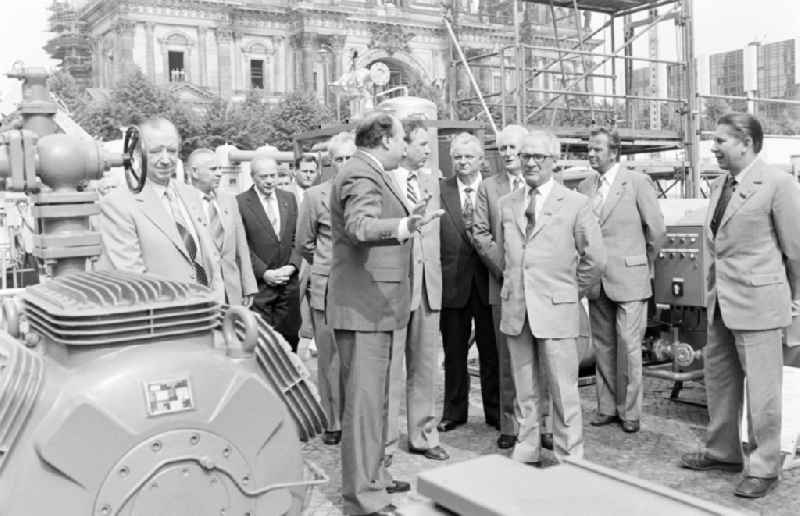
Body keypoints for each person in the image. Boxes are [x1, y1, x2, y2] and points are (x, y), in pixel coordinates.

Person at [327, 112, 442, 516]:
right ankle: (363, 499)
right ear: (385, 140)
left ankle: (374, 478)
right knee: (364, 408)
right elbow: (360, 226)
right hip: (364, 310)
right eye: (400, 139)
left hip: (376, 309)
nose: (405, 146)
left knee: (376, 404)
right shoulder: (361, 174)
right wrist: (405, 226)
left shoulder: (369, 171)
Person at [680, 113, 800, 499]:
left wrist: (795, 302)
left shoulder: (779, 184)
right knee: (720, 381)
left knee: (763, 391)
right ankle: (723, 451)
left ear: (746, 142)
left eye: (720, 141)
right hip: (721, 304)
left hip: (760, 305)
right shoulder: (719, 185)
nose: (713, 148)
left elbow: (796, 252)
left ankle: (765, 466)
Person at [497, 130, 605, 465]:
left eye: (538, 157)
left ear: (553, 161)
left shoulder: (575, 204)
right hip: (518, 309)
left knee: (563, 390)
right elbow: (507, 257)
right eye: (525, 156)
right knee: (525, 389)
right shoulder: (507, 204)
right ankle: (527, 448)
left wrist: (570, 292)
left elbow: (596, 259)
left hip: (557, 309)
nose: (529, 163)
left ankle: (569, 455)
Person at [577, 127, 665, 434]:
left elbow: (655, 230)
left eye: (597, 149)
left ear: (614, 152)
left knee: (628, 346)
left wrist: (644, 264)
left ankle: (630, 412)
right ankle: (607, 407)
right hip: (597, 280)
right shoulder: (585, 185)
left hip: (630, 277)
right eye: (589, 148)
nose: (591, 153)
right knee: (603, 345)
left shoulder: (637, 182)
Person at [473, 123, 543, 450]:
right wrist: (507, 269)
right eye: (503, 149)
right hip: (504, 285)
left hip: (541, 286)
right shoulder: (489, 188)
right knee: (507, 360)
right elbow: (480, 234)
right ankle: (509, 425)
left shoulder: (540, 184)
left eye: (514, 148)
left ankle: (541, 424)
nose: (509, 154)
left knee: (540, 360)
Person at [97, 118, 221, 299]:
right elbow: (133, 278)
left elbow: (209, 258)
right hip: (162, 318)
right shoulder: (118, 204)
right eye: (155, 151)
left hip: (208, 312)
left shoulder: (191, 195)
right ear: (138, 153)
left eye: (171, 151)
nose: (165, 159)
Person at [386, 120, 449, 462]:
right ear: (403, 145)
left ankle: (423, 435)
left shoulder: (429, 181)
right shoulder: (385, 181)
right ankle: (383, 446)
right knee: (392, 371)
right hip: (396, 289)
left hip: (428, 287)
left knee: (425, 368)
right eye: (422, 144)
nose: (428, 150)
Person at [295, 131, 356, 446]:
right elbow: (305, 243)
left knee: (355, 359)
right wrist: (325, 264)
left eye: (349, 157)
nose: (344, 164)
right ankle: (333, 421)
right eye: (339, 159)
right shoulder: (315, 196)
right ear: (330, 163)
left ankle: (354, 418)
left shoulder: (367, 193)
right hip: (326, 288)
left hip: (358, 289)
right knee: (329, 358)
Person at [438, 132, 499, 435]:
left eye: (468, 157)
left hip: (487, 284)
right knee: (454, 353)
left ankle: (496, 411)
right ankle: (454, 411)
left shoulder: (493, 191)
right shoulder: (440, 191)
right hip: (452, 285)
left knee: (491, 352)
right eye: (457, 157)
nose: (463, 162)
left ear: (480, 160)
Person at [237, 155, 302, 351]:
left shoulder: (289, 199)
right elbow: (242, 246)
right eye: (263, 176)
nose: (269, 181)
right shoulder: (240, 203)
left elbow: (296, 239)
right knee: (263, 343)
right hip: (260, 288)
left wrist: (292, 266)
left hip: (288, 287)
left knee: (290, 341)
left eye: (272, 175)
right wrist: (265, 273)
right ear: (252, 177)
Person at [187, 148, 257, 306]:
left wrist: (248, 286)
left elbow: (241, 247)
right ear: (194, 172)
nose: (219, 173)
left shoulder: (229, 201)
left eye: (220, 168)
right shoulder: (181, 204)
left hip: (231, 290)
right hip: (200, 291)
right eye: (213, 169)